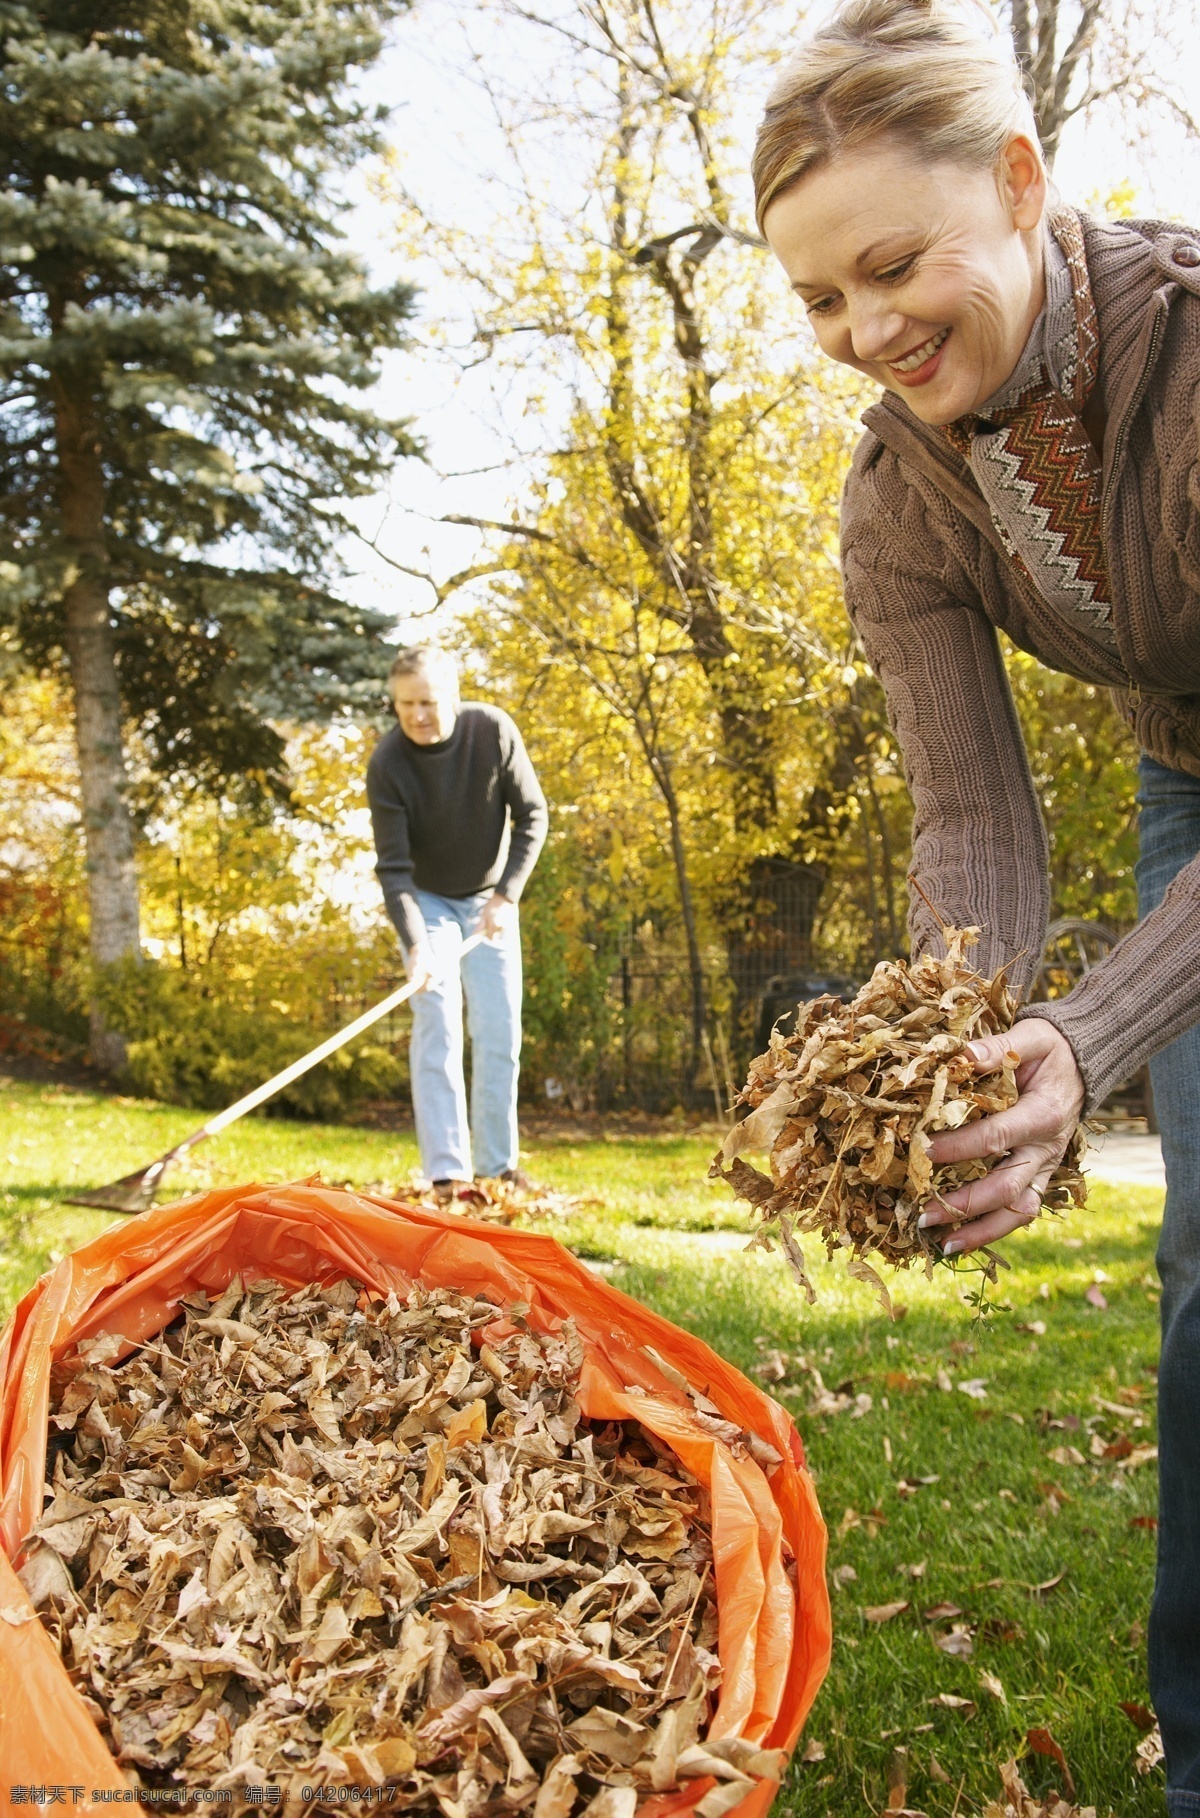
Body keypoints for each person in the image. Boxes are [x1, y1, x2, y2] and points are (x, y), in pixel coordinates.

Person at [753, 0, 1200, 1800]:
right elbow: (975, 823)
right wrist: (950, 1047)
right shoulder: (900, 505)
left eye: (890, 264)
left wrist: (1091, 1033)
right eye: (818, 302)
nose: (868, 332)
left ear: (1019, 183)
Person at [366, 646, 548, 1196]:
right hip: (428, 902)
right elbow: (394, 870)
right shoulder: (389, 763)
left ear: (453, 695)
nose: (418, 715)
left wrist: (506, 895)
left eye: (428, 702)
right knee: (437, 1024)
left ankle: (496, 1168)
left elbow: (533, 815)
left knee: (497, 1033)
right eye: (405, 705)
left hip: (490, 899)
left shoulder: (491, 730)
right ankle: (447, 1174)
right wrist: (417, 946)